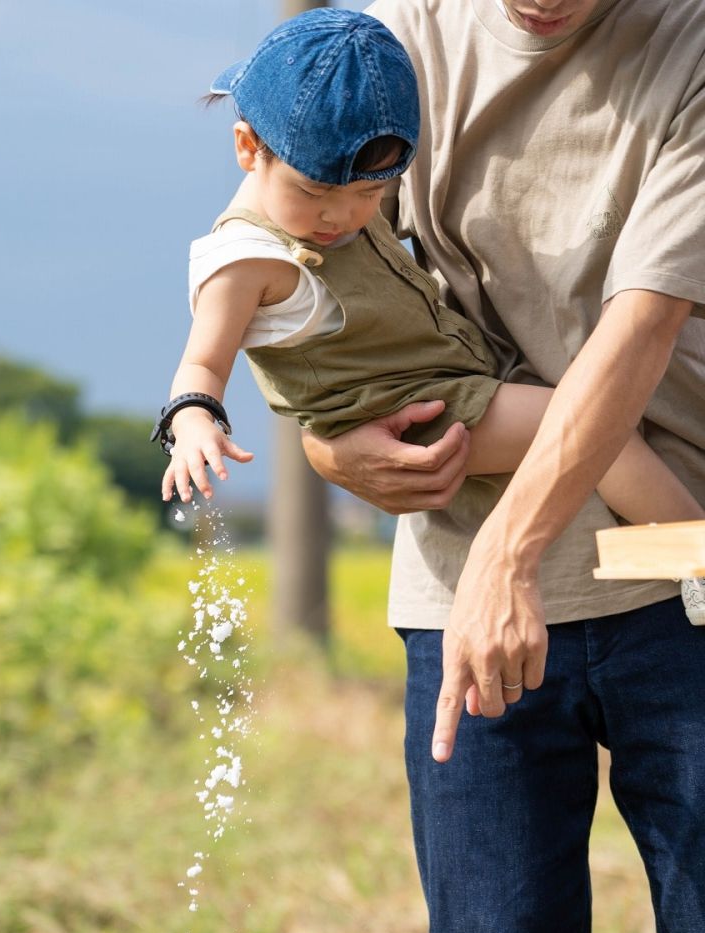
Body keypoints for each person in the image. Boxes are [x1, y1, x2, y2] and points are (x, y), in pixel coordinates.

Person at [296, 0, 705, 933]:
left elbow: (638, 326)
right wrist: (332, 456)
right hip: (460, 606)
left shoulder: (686, 44)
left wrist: (510, 554)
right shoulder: (393, 45)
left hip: (678, 581)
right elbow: (303, 271)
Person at [152, 8, 705, 622]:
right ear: (248, 149)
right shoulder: (242, 261)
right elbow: (202, 362)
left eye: (368, 195)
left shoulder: (328, 206)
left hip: (443, 387)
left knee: (580, 425)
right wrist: (194, 425)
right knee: (589, 425)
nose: (341, 218)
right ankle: (696, 555)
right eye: (316, 193)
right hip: (413, 412)